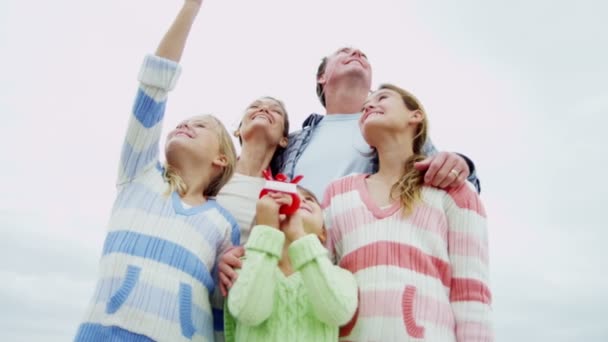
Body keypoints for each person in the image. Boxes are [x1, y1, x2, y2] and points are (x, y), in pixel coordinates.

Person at [74, 1, 239, 341]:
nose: (183, 124)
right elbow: (154, 85)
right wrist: (192, 6)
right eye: (181, 122)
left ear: (221, 158)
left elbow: (223, 313)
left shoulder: (224, 225)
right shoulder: (139, 175)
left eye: (200, 125)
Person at [323, 84, 492, 341]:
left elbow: (472, 298)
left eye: (382, 98)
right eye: (365, 106)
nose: (368, 105)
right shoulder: (337, 194)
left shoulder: (455, 193)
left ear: (415, 116)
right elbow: (320, 282)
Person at [276, 47, 481, 198]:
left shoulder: (393, 127)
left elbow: (465, 184)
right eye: (345, 52)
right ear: (322, 77)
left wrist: (462, 164)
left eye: (363, 56)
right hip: (299, 249)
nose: (356, 54)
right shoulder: (291, 143)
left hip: (365, 247)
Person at [224, 187, 358, 342]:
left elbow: (337, 313)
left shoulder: (339, 275)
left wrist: (300, 237)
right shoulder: (243, 268)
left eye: (310, 199)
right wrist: (268, 231)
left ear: (323, 233)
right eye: (290, 198)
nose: (301, 201)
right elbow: (250, 313)